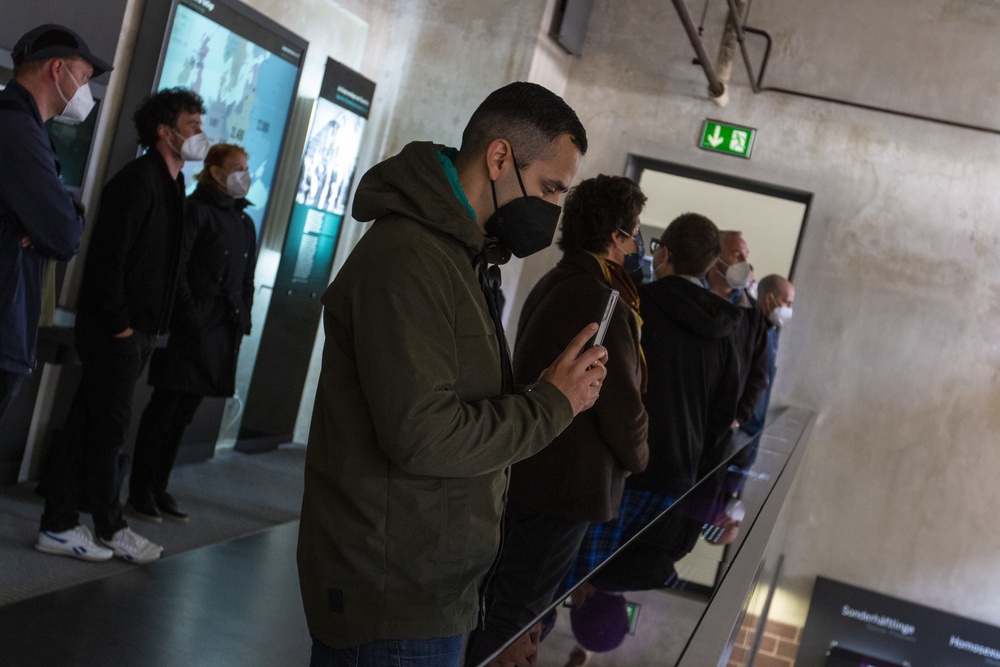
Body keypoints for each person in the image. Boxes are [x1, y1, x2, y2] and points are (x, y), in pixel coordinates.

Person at [297, 81, 608, 667]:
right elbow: (423, 434)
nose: (553, 210)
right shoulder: (409, 258)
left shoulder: (460, 256)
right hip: (393, 595)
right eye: (549, 187)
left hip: (431, 584)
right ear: (498, 158)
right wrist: (550, 403)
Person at [464, 175, 650, 665]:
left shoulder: (561, 278)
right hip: (564, 484)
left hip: (536, 469)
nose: (636, 247)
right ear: (615, 236)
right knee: (518, 617)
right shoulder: (601, 297)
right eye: (633, 234)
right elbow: (618, 399)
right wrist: (640, 454)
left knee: (515, 604)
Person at [36, 88, 208, 565]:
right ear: (164, 130)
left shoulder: (174, 186)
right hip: (118, 331)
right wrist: (120, 329)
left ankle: (59, 522)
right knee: (108, 429)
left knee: (86, 425)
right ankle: (110, 527)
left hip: (140, 331)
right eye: (192, 126)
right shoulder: (137, 181)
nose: (200, 135)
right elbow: (107, 263)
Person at [567, 213, 742, 587]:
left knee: (567, 577)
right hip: (678, 482)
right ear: (711, 265)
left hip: (619, 468)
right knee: (605, 580)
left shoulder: (635, 307)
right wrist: (704, 499)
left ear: (663, 255)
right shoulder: (725, 333)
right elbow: (722, 424)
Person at [127, 143, 257, 524]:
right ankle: (140, 491)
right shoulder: (195, 211)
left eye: (246, 167)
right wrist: (193, 313)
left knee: (182, 416)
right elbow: (177, 268)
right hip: (189, 330)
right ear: (215, 171)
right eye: (237, 167)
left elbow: (245, 278)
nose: (244, 174)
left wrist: (243, 317)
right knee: (164, 412)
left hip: (220, 333)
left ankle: (158, 488)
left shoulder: (243, 221)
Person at [0, 24, 110, 425]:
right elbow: (64, 235)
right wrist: (56, 219)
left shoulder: (26, 128)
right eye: (83, 78)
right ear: (57, 69)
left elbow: (58, 222)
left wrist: (56, 215)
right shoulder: (16, 129)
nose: (85, 91)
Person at [706, 230, 769, 431]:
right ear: (715, 258)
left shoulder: (752, 314)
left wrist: (739, 417)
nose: (745, 262)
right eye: (736, 254)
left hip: (723, 425)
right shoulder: (692, 298)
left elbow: (759, 373)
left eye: (746, 255)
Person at [741, 274, 794, 435]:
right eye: (787, 303)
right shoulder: (747, 329)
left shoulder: (771, 333)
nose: (790, 309)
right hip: (741, 425)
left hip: (754, 428)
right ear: (769, 299)